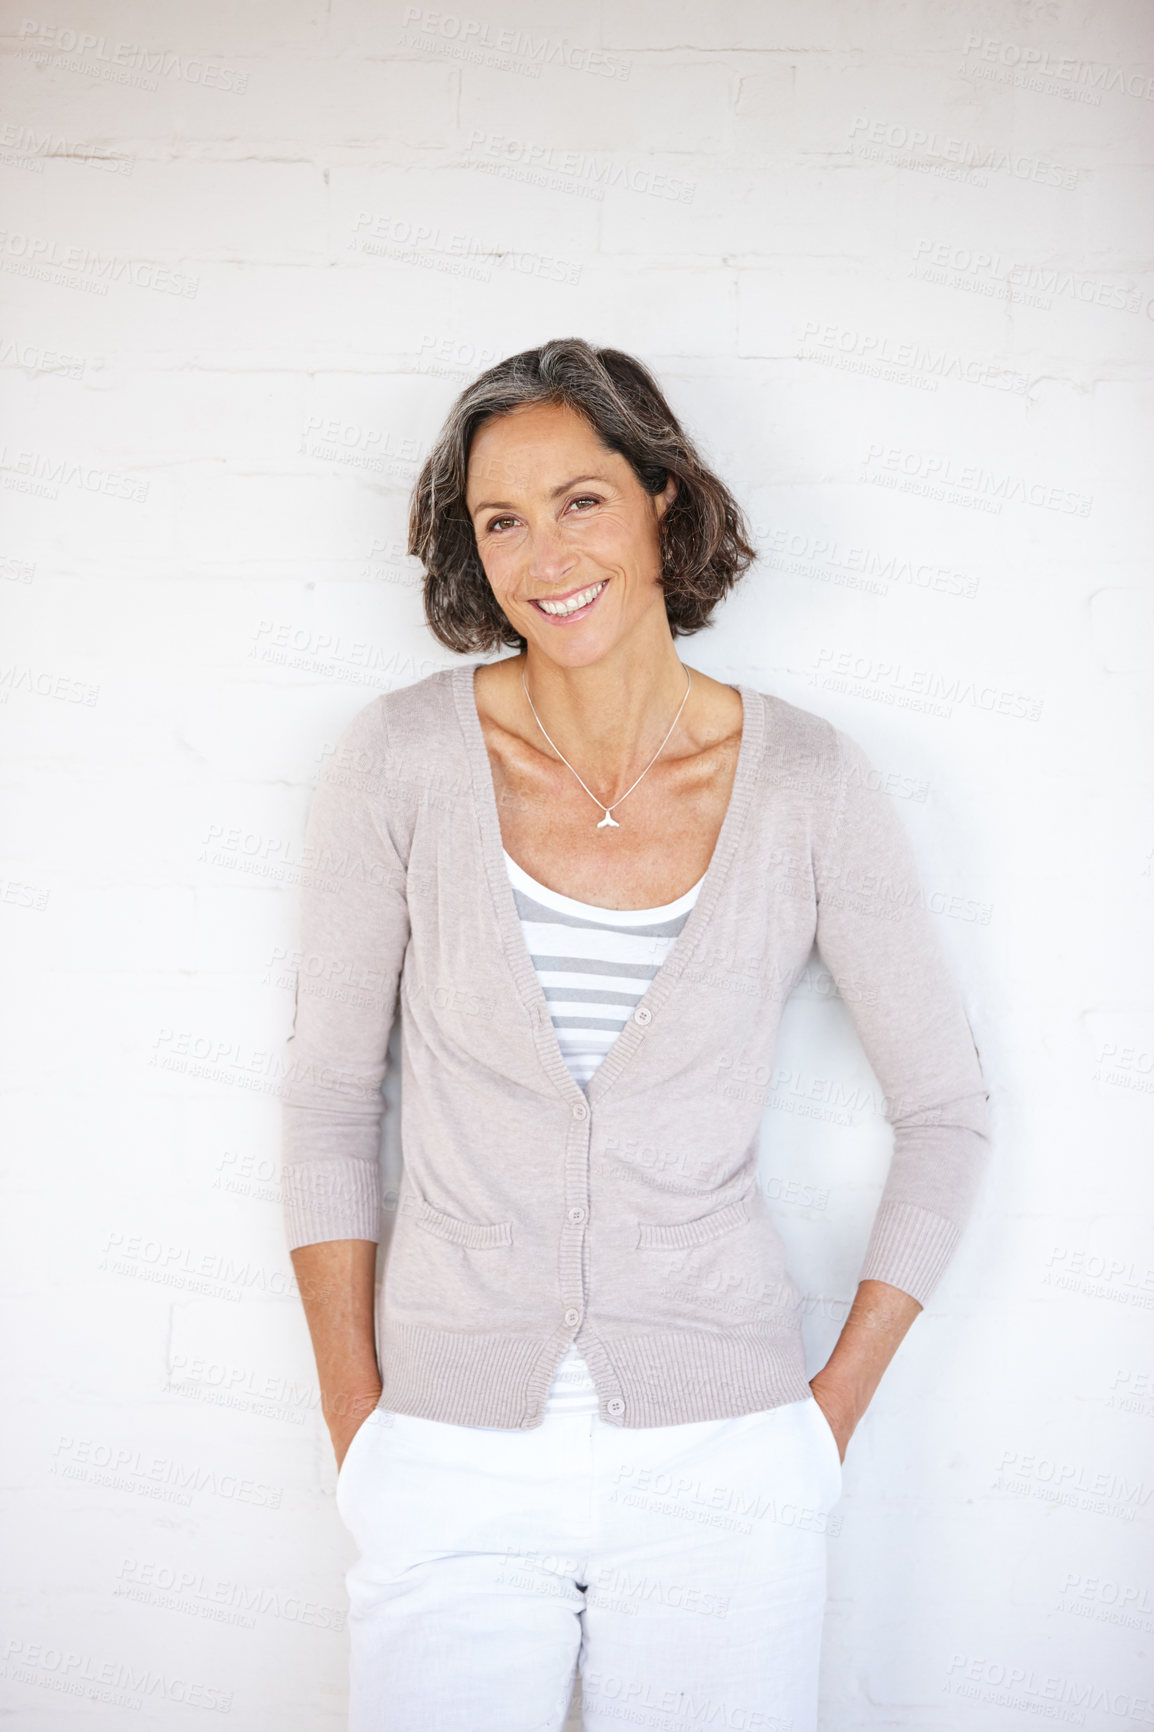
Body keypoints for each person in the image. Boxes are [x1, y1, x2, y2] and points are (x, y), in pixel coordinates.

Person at [280, 338, 991, 1731]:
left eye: (579, 499)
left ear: (661, 496)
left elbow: (948, 1116)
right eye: (501, 519)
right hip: (444, 1452)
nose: (545, 552)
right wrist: (360, 1425)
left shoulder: (807, 784)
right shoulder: (402, 760)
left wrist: (821, 1420)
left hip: (726, 1460)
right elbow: (323, 1101)